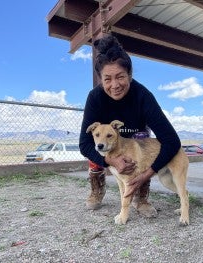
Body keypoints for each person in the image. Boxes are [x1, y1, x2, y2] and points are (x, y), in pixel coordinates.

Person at [79, 34, 181, 218]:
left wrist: (148, 173)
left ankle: (141, 196)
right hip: (109, 142)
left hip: (136, 141)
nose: (115, 85)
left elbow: (171, 141)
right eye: (107, 79)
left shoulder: (143, 96)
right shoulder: (95, 98)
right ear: (100, 79)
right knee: (98, 144)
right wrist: (110, 160)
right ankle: (97, 189)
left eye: (120, 77)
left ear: (130, 75)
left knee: (143, 147)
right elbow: (84, 144)